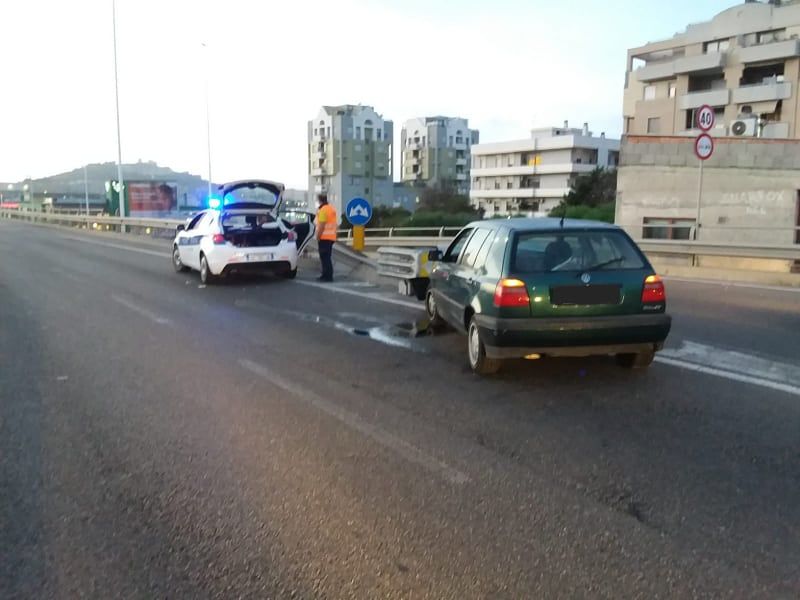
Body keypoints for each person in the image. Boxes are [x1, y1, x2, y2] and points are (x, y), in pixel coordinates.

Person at [315, 194, 337, 282]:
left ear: (319, 201)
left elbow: (322, 225)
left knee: (324, 257)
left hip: (324, 237)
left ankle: (326, 276)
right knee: (327, 257)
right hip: (331, 237)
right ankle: (328, 275)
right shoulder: (331, 208)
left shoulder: (323, 210)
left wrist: (318, 236)